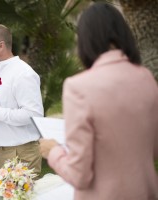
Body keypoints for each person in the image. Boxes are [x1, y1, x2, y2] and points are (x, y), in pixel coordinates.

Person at [39, 2, 158, 200]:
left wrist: (53, 151)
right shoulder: (145, 77)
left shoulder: (78, 87)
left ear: (85, 39)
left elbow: (80, 175)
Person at [0, 24, 44, 175]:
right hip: (1, 154)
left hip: (21, 155)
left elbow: (34, 115)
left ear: (0, 46)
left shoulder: (22, 73)